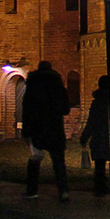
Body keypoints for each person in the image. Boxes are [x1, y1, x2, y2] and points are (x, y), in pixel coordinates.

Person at [20, 60, 71, 201]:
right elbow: (65, 109)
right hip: (54, 128)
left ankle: (32, 190)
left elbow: (27, 109)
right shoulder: (58, 86)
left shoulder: (32, 86)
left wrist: (26, 130)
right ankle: (63, 190)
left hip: (37, 128)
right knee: (59, 161)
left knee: (35, 159)